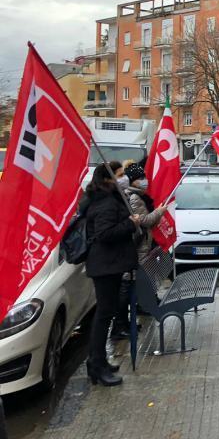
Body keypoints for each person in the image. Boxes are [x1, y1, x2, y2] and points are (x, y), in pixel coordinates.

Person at [82, 161, 140, 386]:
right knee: (103, 316)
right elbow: (104, 233)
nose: (123, 177)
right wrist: (130, 223)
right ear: (107, 180)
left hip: (109, 265)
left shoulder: (106, 198)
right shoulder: (105, 202)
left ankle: (98, 361)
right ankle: (96, 365)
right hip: (105, 266)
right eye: (119, 174)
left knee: (105, 315)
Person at [112, 162, 166, 339]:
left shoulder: (136, 196)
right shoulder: (134, 198)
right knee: (127, 286)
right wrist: (159, 212)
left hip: (142, 247)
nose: (144, 181)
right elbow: (145, 220)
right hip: (138, 249)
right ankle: (120, 325)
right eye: (140, 178)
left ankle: (131, 316)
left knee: (135, 284)